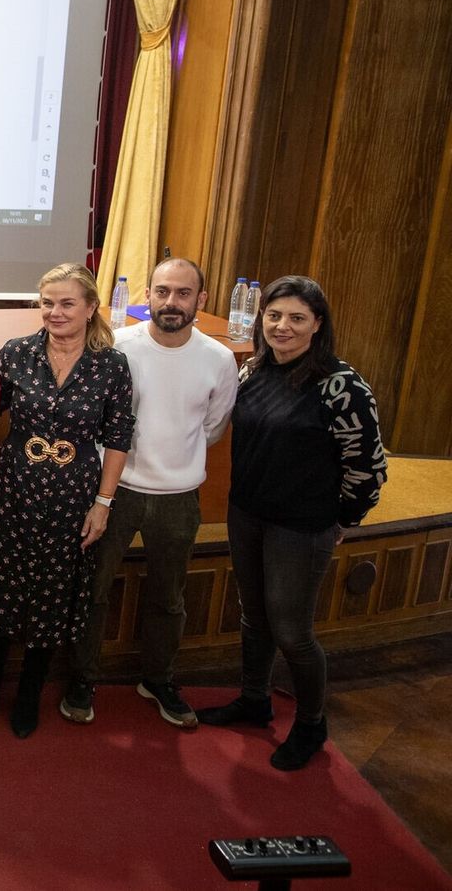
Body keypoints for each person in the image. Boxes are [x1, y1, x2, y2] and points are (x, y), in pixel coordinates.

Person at [198, 275, 386, 771]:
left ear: (317, 325)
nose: (282, 326)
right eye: (274, 315)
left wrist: (344, 518)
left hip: (301, 527)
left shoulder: (341, 385)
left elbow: (367, 466)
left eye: (297, 318)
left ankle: (310, 724)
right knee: (253, 617)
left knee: (292, 632)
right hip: (248, 513)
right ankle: (255, 699)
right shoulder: (255, 369)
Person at [0, 262, 133, 738]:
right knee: (3, 589)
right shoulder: (16, 353)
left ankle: (30, 694)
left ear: (91, 307)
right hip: (14, 491)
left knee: (53, 599)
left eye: (66, 303)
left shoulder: (111, 365)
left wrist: (104, 503)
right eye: (47, 303)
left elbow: (119, 437)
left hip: (74, 498)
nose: (54, 312)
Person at [62, 257, 237, 729]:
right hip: (114, 492)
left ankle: (158, 678)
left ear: (200, 300)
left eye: (183, 294)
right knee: (93, 592)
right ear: (148, 295)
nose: (171, 302)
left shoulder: (219, 360)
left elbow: (214, 427)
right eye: (162, 292)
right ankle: (82, 678)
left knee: (169, 597)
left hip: (179, 497)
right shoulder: (119, 347)